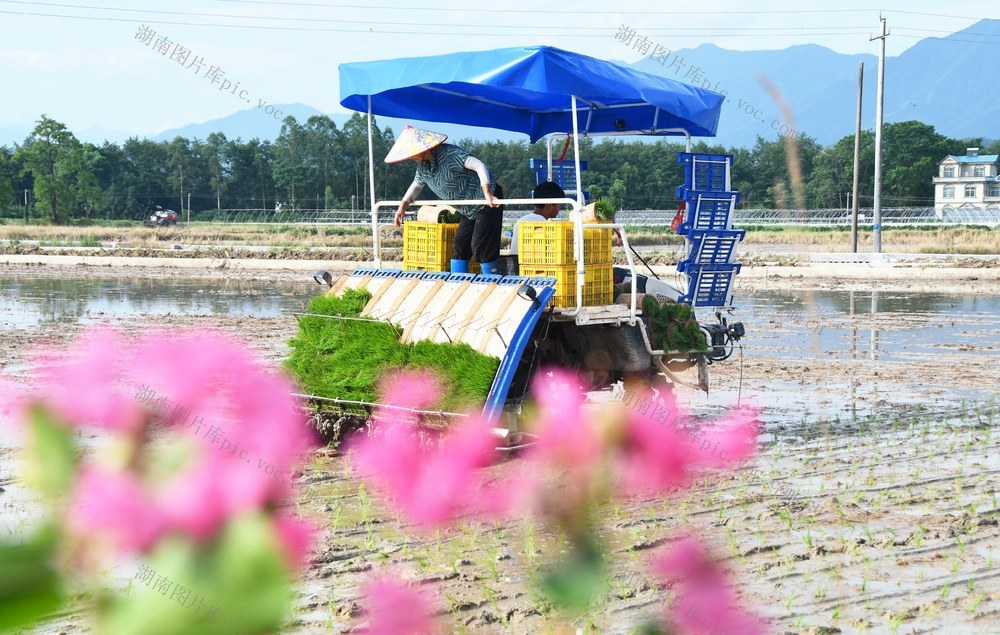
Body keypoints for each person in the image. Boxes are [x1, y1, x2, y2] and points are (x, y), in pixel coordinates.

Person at [387, 125, 503, 274]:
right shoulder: (423, 167)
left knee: (481, 246)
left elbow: (479, 166)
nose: (411, 157)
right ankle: (459, 283)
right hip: (467, 207)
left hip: (486, 199)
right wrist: (402, 206)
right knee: (460, 245)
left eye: (413, 153)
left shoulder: (450, 154)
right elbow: (416, 186)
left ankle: (493, 282)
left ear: (424, 148)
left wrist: (486, 192)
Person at [510, 181, 565, 256]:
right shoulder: (546, 227)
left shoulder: (520, 222)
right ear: (549, 205)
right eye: (559, 204)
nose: (559, 207)